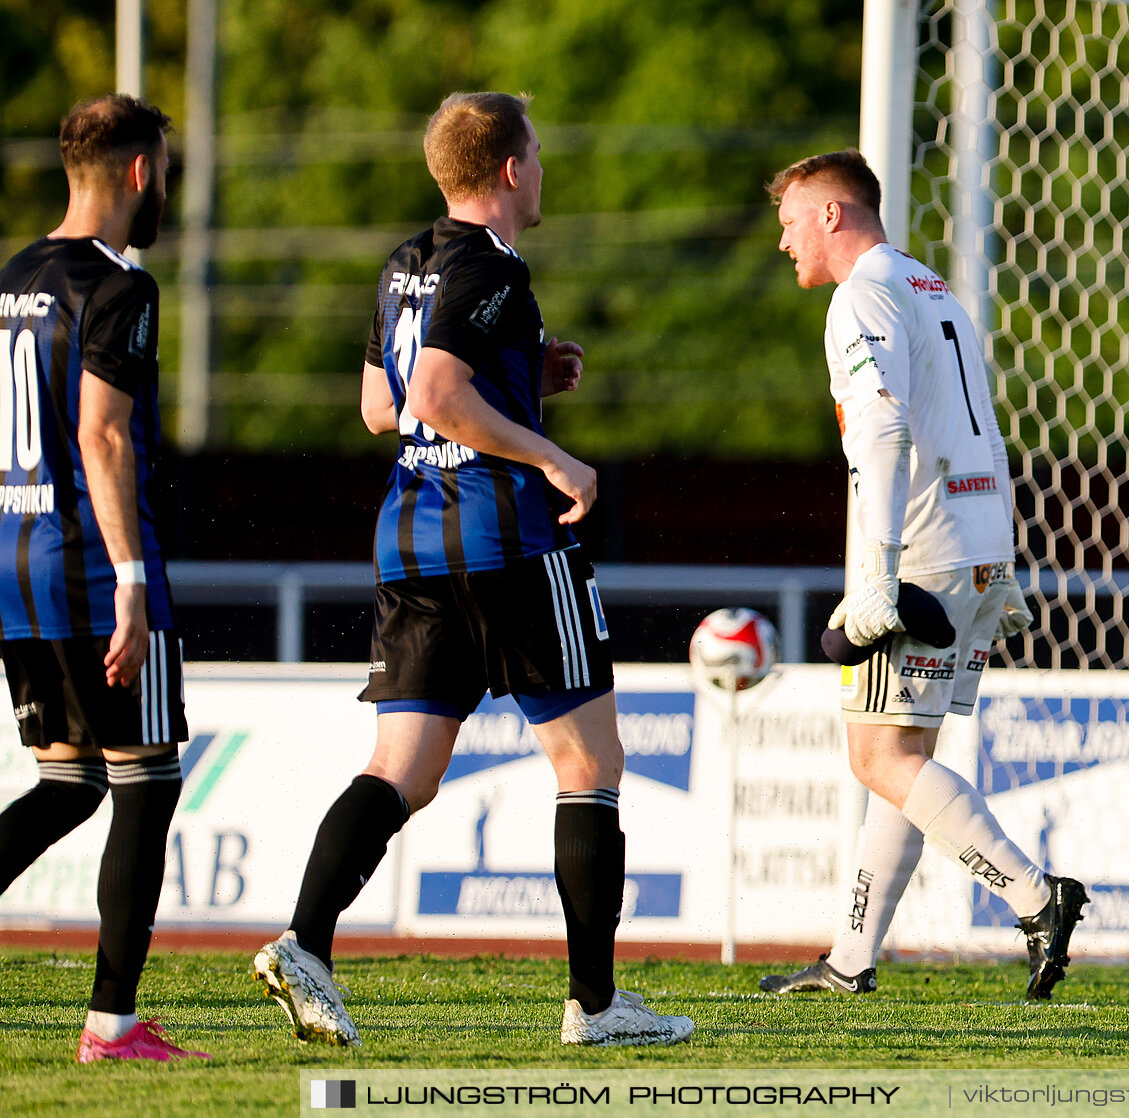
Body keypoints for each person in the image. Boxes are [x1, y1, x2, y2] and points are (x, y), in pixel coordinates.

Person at [250, 92, 692, 1049]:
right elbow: (438, 393)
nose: (543, 168)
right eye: (535, 152)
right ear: (508, 170)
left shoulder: (406, 261)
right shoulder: (494, 264)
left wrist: (524, 376)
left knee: (400, 771)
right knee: (591, 764)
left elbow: (383, 406)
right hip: (506, 540)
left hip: (411, 539)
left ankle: (305, 944)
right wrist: (547, 453)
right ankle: (598, 1007)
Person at [759, 151, 1086, 1000]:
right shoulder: (929, 286)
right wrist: (1001, 556)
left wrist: (877, 571)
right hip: (974, 547)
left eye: (791, 219)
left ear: (834, 213)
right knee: (902, 755)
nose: (783, 239)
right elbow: (987, 428)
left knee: (878, 755)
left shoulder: (860, 294)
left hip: (921, 552)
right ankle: (852, 958)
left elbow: (882, 429)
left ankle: (1034, 897)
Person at [0, 95, 207, 1063]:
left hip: (13, 562)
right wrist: (130, 577)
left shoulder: (12, 276)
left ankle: (114, 1019)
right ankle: (112, 1024)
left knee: (69, 783)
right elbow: (101, 431)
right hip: (90, 564)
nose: (165, 185)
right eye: (163, 167)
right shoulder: (120, 284)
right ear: (138, 172)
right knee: (146, 783)